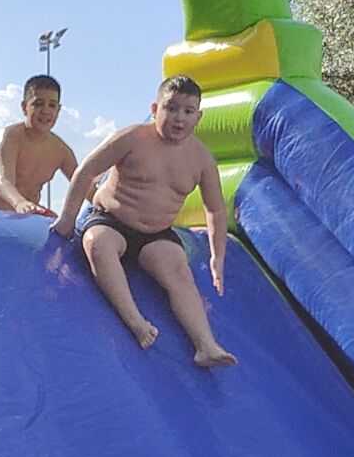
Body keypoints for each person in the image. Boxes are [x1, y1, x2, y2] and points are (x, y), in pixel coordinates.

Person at [51, 75, 236, 368]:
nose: (179, 118)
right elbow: (86, 171)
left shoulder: (201, 159)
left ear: (198, 117)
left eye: (188, 112)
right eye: (171, 108)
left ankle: (206, 345)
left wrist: (218, 256)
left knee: (179, 271)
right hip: (111, 219)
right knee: (98, 244)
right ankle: (135, 321)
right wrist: (66, 220)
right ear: (154, 108)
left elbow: (215, 210)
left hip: (156, 233)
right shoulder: (133, 138)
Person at [0, 75, 77, 216]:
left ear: (58, 110)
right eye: (38, 104)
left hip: (24, 215)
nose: (45, 111)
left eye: (52, 105)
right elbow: (4, 182)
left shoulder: (61, 151)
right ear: (24, 107)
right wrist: (19, 202)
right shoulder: (11, 137)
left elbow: (82, 182)